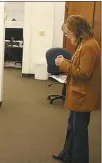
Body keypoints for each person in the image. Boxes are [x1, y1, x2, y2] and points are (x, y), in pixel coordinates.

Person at [53, 15, 101, 163]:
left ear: (78, 30)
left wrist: (63, 64)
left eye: (68, 33)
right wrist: (66, 62)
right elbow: (79, 66)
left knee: (79, 131)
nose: (67, 36)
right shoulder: (84, 43)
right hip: (78, 93)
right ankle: (67, 154)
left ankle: (79, 159)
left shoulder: (89, 46)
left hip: (83, 96)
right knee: (72, 127)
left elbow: (84, 73)